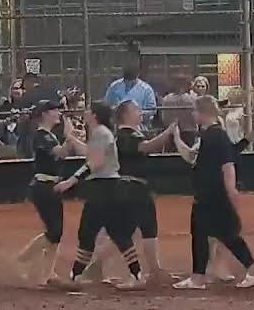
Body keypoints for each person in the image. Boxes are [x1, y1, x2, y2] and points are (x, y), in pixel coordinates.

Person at [172, 96, 254, 290]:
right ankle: (199, 276)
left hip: (214, 195)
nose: (193, 114)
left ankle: (252, 269)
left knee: (225, 234)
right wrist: (176, 138)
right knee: (206, 233)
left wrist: (231, 191)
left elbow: (228, 165)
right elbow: (193, 157)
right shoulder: (210, 135)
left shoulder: (215, 136)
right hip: (208, 194)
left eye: (195, 111)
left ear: (202, 112)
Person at [81, 100, 181, 285]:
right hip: (130, 189)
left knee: (145, 230)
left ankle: (154, 271)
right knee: (126, 232)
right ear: (125, 114)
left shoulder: (127, 134)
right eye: (136, 109)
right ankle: (102, 268)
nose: (140, 112)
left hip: (136, 188)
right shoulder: (125, 134)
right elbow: (146, 147)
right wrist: (168, 133)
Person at [51, 101, 148, 290]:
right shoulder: (101, 133)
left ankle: (78, 276)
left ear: (94, 115)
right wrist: (70, 137)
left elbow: (95, 162)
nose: (85, 113)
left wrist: (71, 181)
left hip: (104, 188)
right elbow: (89, 154)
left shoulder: (101, 133)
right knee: (97, 232)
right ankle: (77, 275)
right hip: (105, 188)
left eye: (88, 111)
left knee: (101, 232)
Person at [10, 100, 77, 286]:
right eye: (54, 110)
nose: (58, 113)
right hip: (43, 186)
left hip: (50, 186)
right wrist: (70, 135)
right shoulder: (42, 135)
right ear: (45, 114)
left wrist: (69, 133)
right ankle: (21, 260)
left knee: (57, 232)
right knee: (54, 231)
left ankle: (48, 274)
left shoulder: (48, 135)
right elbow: (62, 152)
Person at [103, 54, 157, 127]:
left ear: (139, 71)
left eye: (134, 67)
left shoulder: (146, 89)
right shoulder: (114, 86)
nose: (130, 69)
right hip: (117, 127)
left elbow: (152, 111)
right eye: (128, 67)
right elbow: (107, 106)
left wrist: (135, 114)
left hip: (139, 128)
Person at [159, 75, 198, 147]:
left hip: (171, 132)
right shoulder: (192, 99)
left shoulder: (166, 99)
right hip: (188, 133)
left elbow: (164, 119)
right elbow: (196, 119)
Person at [0, 79, 25, 146]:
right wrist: (9, 120)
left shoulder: (28, 106)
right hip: (7, 138)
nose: (18, 91)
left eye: (21, 88)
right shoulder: (5, 106)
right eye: (15, 88)